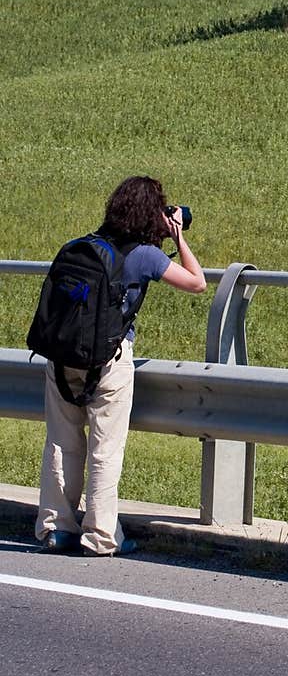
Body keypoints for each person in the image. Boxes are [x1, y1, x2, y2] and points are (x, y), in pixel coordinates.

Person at [35, 175, 207, 556]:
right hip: (108, 361)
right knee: (105, 449)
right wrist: (178, 236)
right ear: (153, 215)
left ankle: (55, 529)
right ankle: (99, 536)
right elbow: (197, 283)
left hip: (61, 359)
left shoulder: (80, 245)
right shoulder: (145, 255)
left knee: (61, 443)